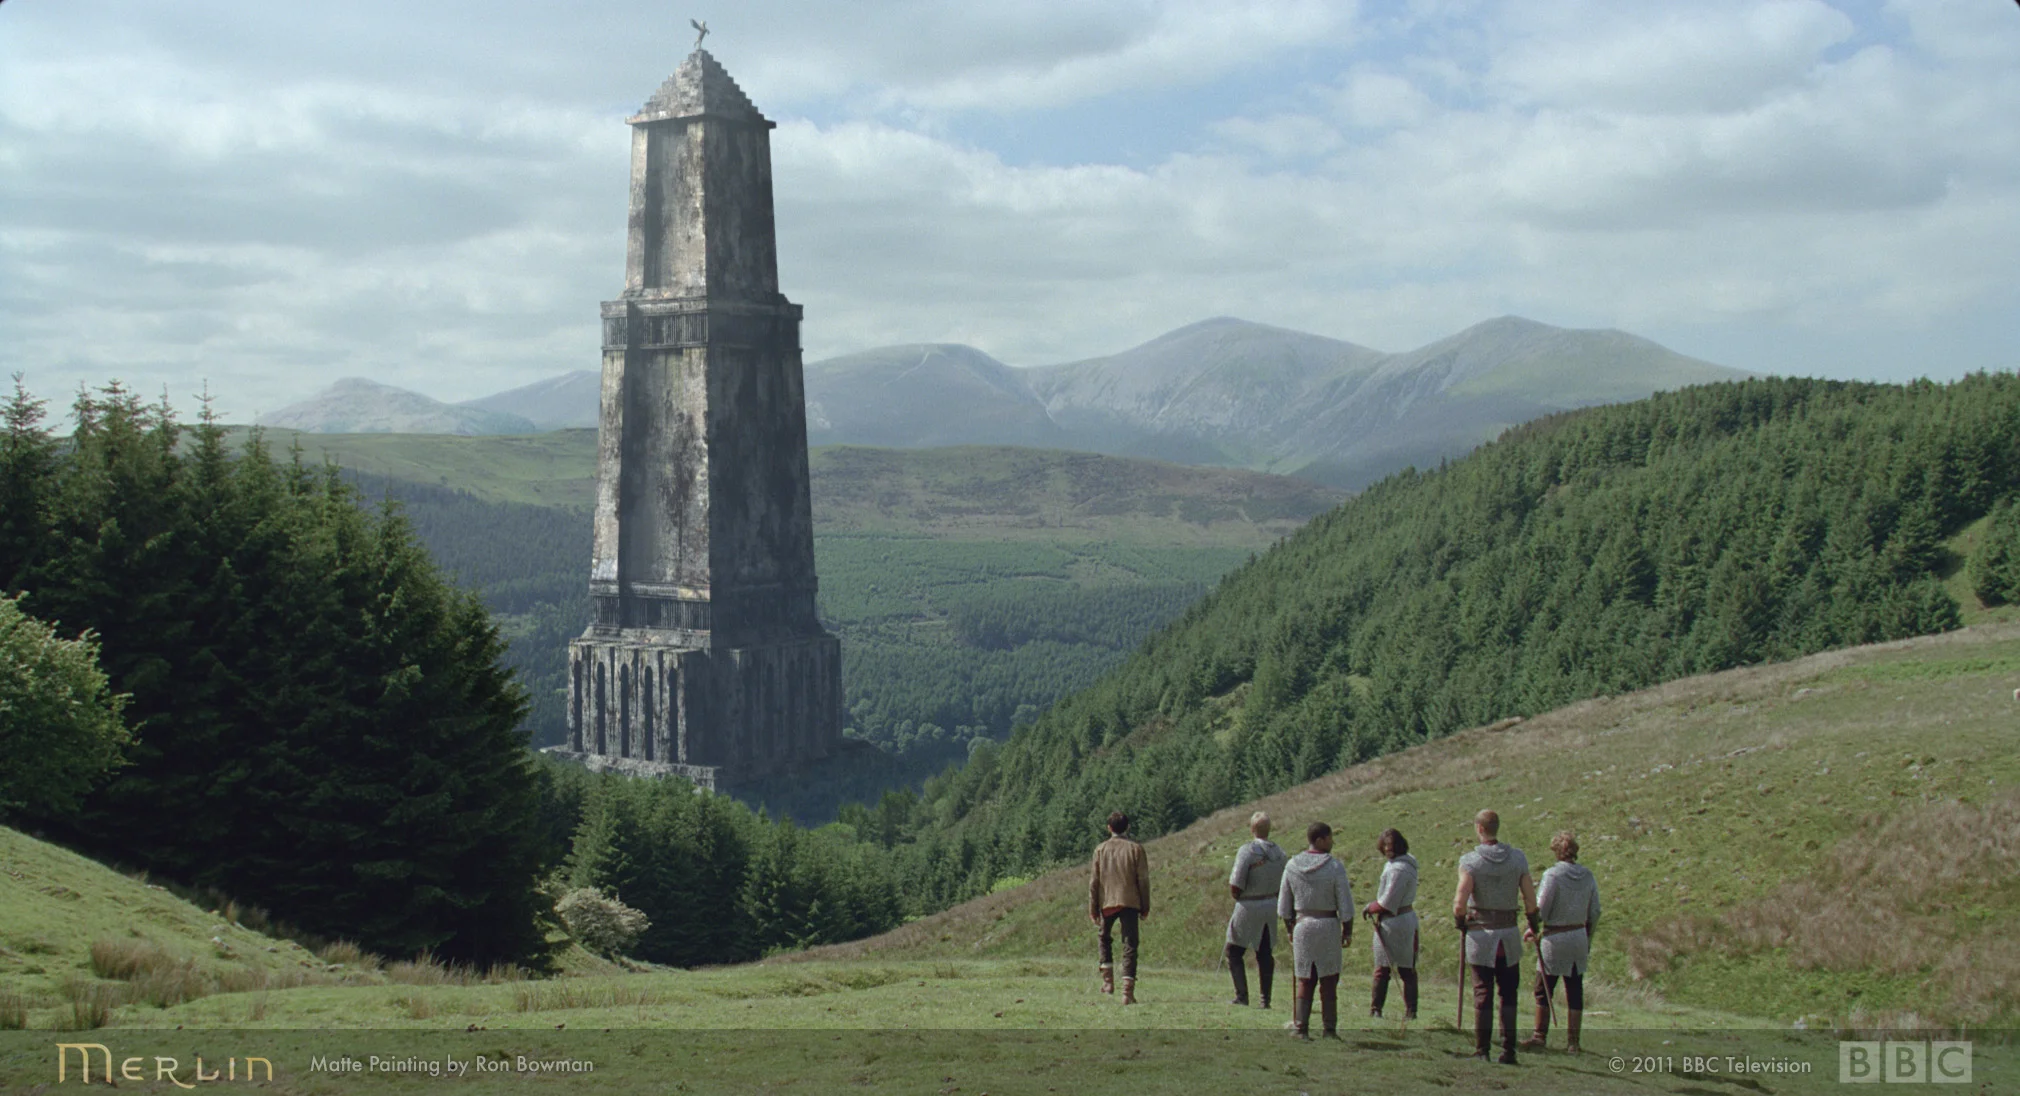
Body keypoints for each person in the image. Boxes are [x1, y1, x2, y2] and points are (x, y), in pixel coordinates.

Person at [1452, 808, 1538, 1065]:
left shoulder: (1470, 862)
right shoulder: (1518, 859)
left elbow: (1459, 902)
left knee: (1483, 993)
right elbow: (1530, 900)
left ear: (1479, 828)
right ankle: (1509, 1051)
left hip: (1481, 935)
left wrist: (1460, 922)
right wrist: (1533, 923)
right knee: (1508, 995)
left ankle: (1482, 1050)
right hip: (1509, 935)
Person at [1523, 830, 1601, 1053]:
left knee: (1543, 988)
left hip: (1554, 939)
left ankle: (1539, 1036)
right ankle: (1573, 1042)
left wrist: (1532, 928)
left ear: (1556, 851)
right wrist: (1587, 937)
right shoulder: (1588, 876)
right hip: (1578, 937)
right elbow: (1595, 911)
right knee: (1574, 989)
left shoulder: (1552, 875)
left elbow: (1542, 908)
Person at [1276, 821, 1353, 1039]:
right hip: (1328, 925)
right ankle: (1329, 1030)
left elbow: (1284, 905)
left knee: (1305, 978)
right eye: (1329, 838)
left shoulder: (1292, 865)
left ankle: (1301, 1028)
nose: (1332, 842)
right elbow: (1345, 904)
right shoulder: (1335, 867)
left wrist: (1290, 927)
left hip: (1303, 926)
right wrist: (1347, 929)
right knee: (1329, 979)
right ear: (1320, 840)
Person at [1088, 810, 1151, 1004]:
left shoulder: (1100, 850)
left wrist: (1093, 908)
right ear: (1127, 827)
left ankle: (1108, 982)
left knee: (1104, 938)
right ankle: (1127, 992)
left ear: (1109, 828)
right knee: (1130, 944)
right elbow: (1143, 880)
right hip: (1130, 901)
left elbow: (1094, 882)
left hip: (1107, 901)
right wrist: (1145, 905)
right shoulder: (1136, 849)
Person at [1225, 811, 1287, 1008]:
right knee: (1265, 952)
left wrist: (1239, 896)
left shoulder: (1247, 851)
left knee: (1234, 950)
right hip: (1271, 904)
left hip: (1249, 904)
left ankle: (1242, 995)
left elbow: (1236, 883)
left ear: (1252, 829)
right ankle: (1265, 999)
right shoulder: (1280, 853)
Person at [1361, 827, 1419, 1020]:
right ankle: (1376, 1009)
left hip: (1397, 922)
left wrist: (1370, 907)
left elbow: (1388, 902)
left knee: (1403, 969)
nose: (1387, 849)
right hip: (1394, 921)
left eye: (1391, 845)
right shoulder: (1399, 864)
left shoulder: (1398, 869)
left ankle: (1409, 1011)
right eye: (1385, 845)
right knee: (1383, 968)